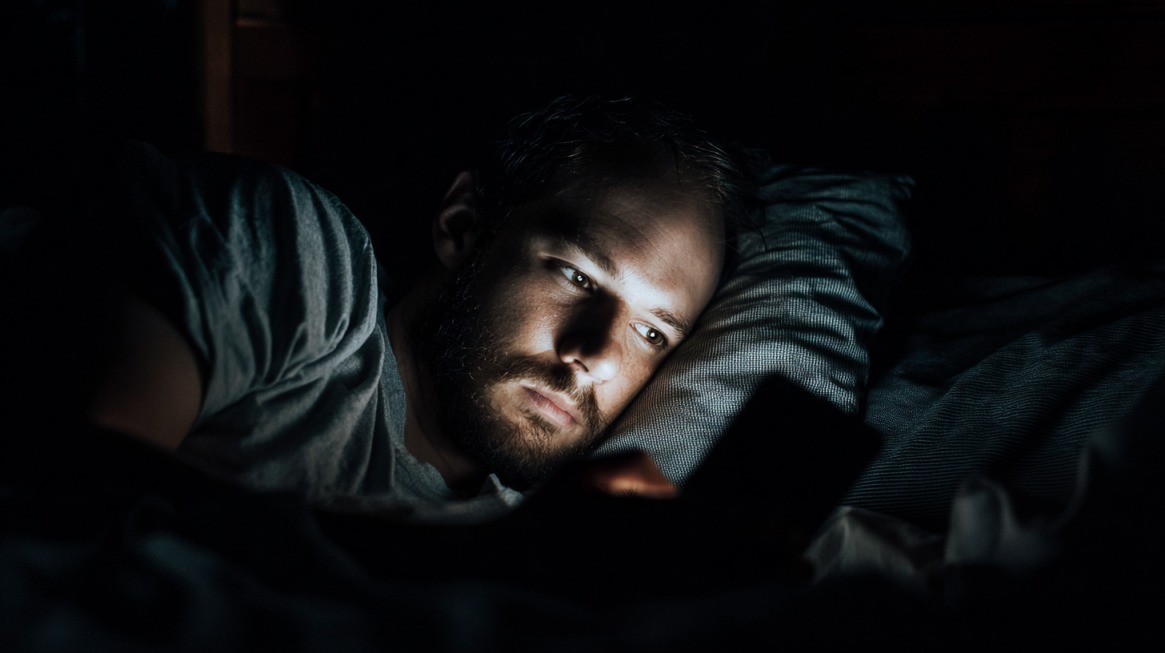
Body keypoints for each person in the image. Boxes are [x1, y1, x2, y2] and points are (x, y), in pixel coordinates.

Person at [0, 95, 756, 521]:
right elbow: (65, 514)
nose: (592, 354)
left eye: (652, 332)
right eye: (579, 277)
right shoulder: (298, 257)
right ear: (464, 228)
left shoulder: (534, 535)